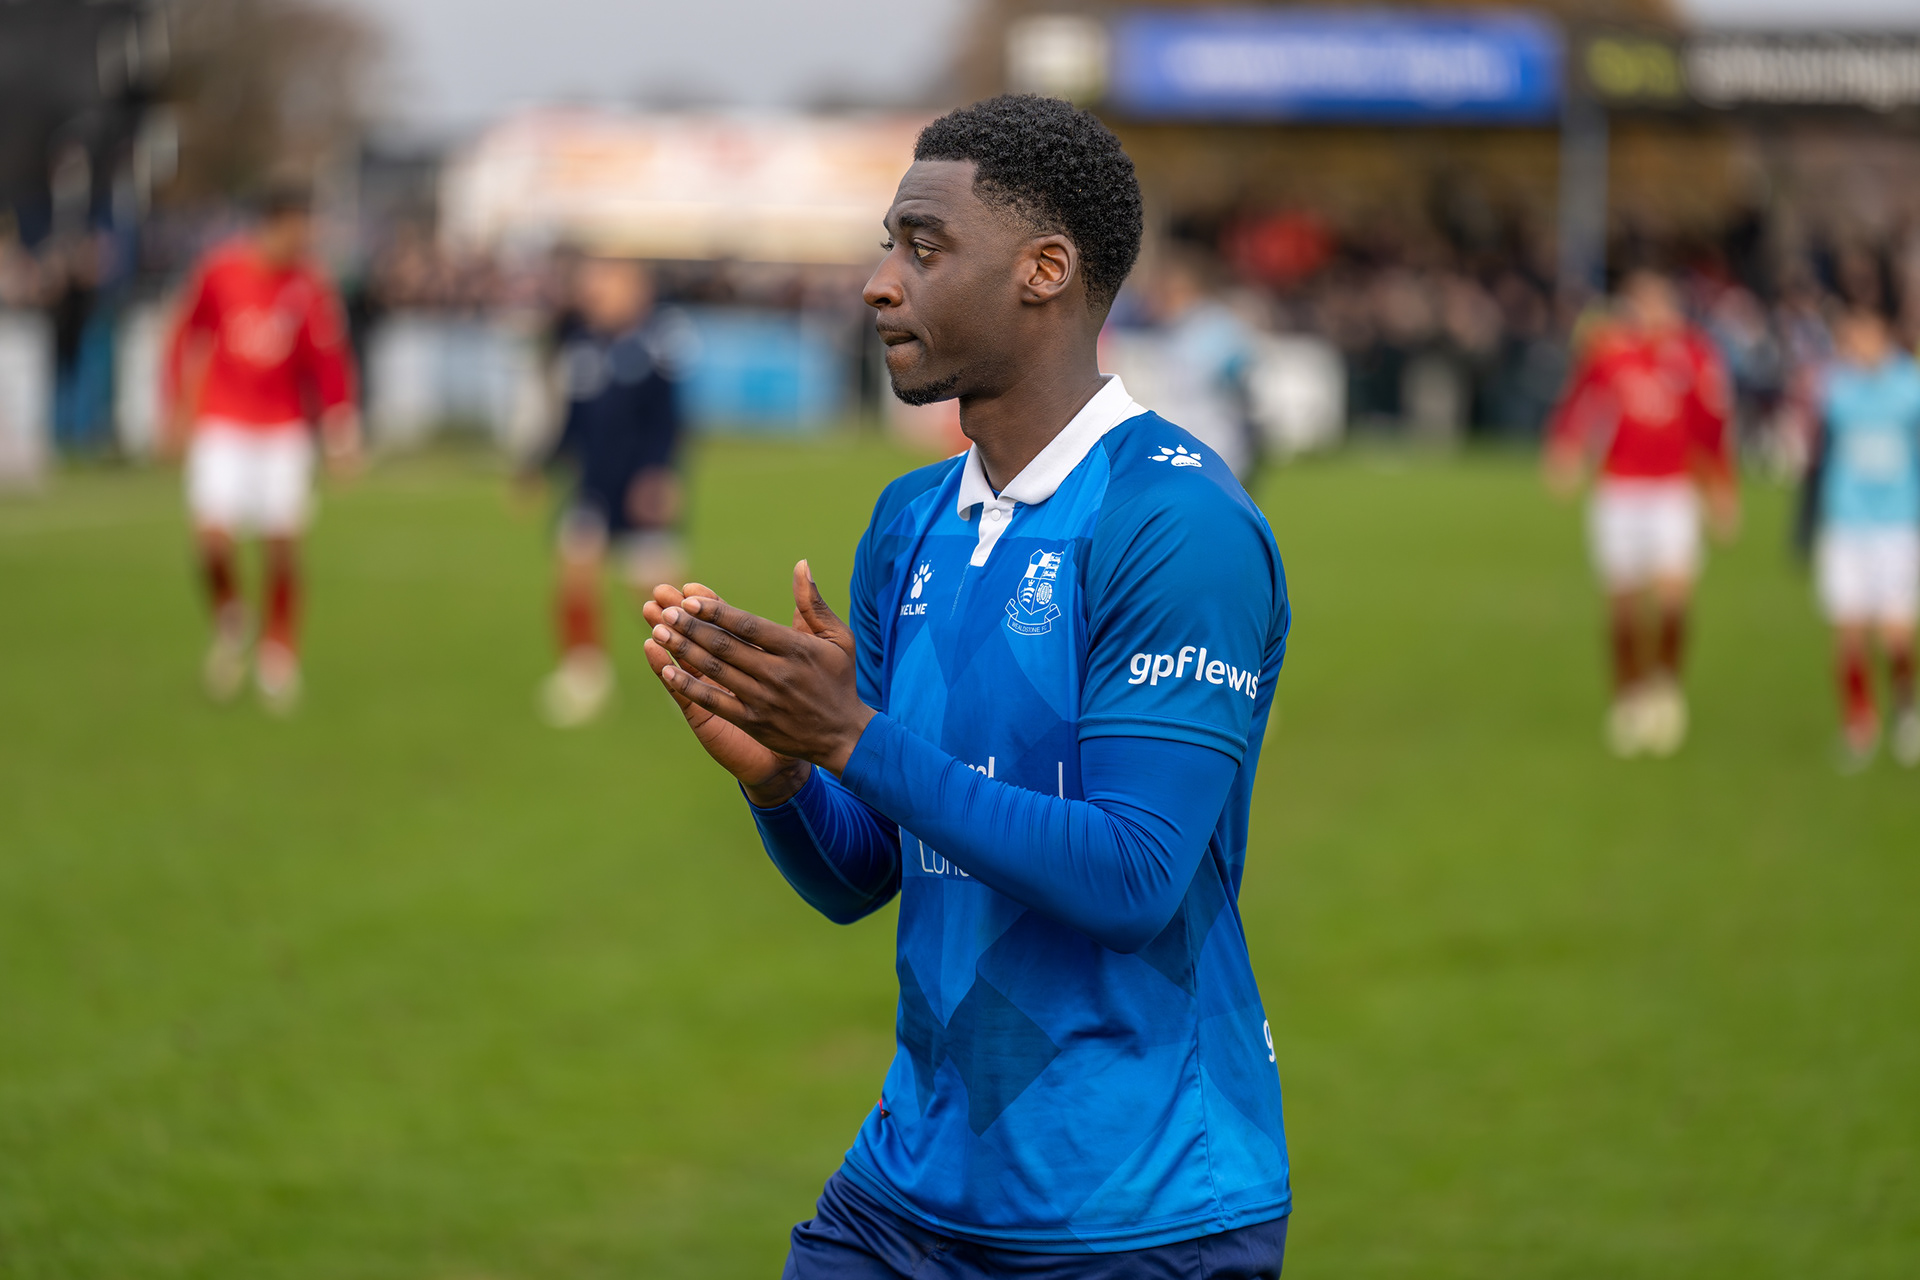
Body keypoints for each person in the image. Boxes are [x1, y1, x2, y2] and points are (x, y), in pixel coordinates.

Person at [643, 96, 1293, 1279]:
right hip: (909, 1188)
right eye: (889, 243)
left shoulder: (1174, 522)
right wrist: (789, 776)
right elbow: (875, 868)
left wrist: (851, 735)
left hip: (1135, 1205)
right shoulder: (911, 520)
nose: (879, 283)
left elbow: (1134, 874)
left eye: (923, 247)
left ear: (1046, 270)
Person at [162, 178, 361, 712]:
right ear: (274, 223)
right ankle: (231, 616)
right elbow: (185, 335)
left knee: (282, 545)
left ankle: (279, 652)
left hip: (283, 428)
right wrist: (175, 409)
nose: (307, 236)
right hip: (223, 422)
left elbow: (329, 363)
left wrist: (342, 433)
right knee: (211, 540)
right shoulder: (220, 272)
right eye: (300, 225)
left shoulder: (310, 286)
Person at [1545, 268, 1738, 757]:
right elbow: (1579, 404)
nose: (1651, 314)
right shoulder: (1610, 353)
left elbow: (1711, 427)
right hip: (1620, 492)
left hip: (1672, 490)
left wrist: (1721, 490)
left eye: (1660, 303)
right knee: (1623, 603)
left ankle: (1666, 690)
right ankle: (1628, 697)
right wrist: (1566, 451)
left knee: (1674, 597)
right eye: (1642, 303)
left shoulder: (1695, 356)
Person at [524, 255, 689, 727]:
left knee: (659, 596)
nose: (595, 294)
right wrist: (538, 466)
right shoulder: (581, 344)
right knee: (574, 572)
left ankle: (694, 675)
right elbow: (572, 421)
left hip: (640, 489)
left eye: (607, 285)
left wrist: (659, 475)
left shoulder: (658, 343)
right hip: (592, 488)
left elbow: (669, 421)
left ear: (634, 289)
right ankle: (584, 676)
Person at [1805, 302, 1920, 768]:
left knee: (1894, 632)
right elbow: (1818, 454)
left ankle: (1906, 711)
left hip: (1896, 525)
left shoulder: (1910, 387)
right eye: (1852, 337)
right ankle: (1858, 722)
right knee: (1848, 629)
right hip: (1847, 524)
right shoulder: (1835, 389)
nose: (1860, 345)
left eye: (1868, 335)